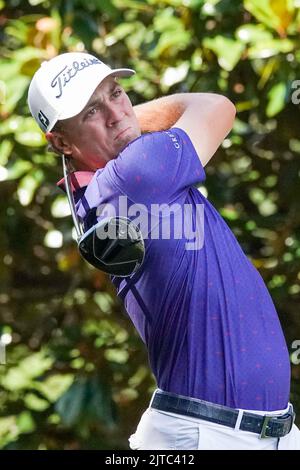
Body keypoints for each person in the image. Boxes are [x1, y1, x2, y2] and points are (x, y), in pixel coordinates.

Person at [27, 52, 300, 450]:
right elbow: (215, 106)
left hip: (256, 432)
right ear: (61, 142)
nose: (117, 113)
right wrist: (128, 118)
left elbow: (120, 125)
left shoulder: (97, 192)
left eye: (117, 93)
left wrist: (111, 116)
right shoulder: (140, 174)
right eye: (90, 112)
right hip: (206, 436)